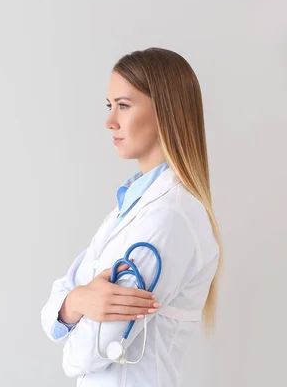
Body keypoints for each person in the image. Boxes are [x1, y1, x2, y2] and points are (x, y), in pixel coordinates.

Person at [40, 47, 222, 387]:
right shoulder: (130, 206)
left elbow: (91, 353)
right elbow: (57, 301)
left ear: (166, 111)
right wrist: (78, 299)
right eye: (110, 106)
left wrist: (72, 325)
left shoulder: (171, 219)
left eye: (123, 105)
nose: (110, 121)